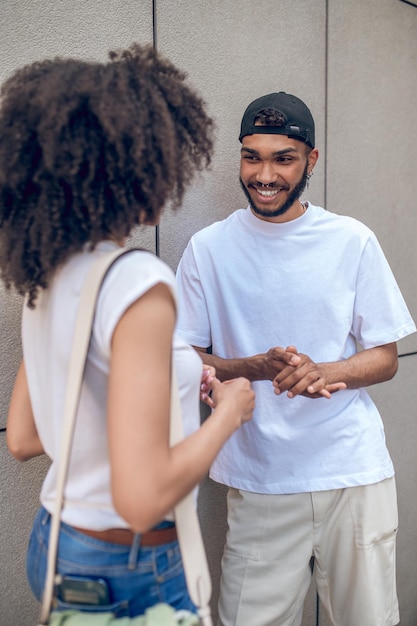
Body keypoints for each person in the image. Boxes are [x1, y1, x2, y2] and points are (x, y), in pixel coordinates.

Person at [1, 44, 255, 619]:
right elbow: (140, 501)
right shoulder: (138, 281)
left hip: (57, 543)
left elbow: (23, 437)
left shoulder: (49, 274)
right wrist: (231, 413)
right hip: (131, 571)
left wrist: (174, 393)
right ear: (133, 164)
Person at [175, 91, 416, 626]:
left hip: (352, 475)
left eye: (282, 158)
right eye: (251, 156)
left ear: (310, 160)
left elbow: (385, 357)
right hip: (259, 480)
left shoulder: (351, 240)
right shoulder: (208, 248)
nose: (264, 174)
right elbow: (183, 356)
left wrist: (326, 370)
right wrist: (251, 367)